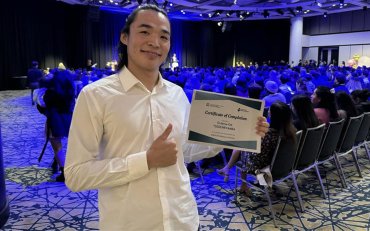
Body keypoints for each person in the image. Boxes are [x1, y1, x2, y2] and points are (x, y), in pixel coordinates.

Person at [64, 5, 269, 231]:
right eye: (144, 32)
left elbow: (185, 151)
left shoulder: (177, 94)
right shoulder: (95, 96)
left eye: (164, 36)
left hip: (183, 219)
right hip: (130, 224)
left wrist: (235, 133)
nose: (155, 42)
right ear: (124, 37)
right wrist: (147, 160)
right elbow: (76, 175)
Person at [217, 101, 296, 196]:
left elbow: (257, 156)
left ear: (271, 115)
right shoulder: (291, 131)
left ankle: (242, 184)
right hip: (282, 168)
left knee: (241, 146)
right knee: (244, 147)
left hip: (264, 172)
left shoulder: (267, 134)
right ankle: (227, 169)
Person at [43, 70, 75, 181]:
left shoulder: (52, 92)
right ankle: (59, 164)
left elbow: (43, 103)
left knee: (57, 147)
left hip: (55, 119)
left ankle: (64, 173)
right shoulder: (71, 89)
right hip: (69, 118)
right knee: (68, 146)